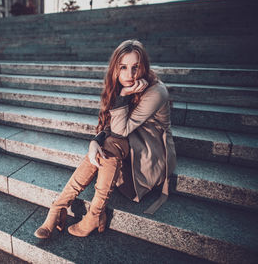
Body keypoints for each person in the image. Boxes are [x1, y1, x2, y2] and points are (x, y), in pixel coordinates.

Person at [34, 39, 176, 239]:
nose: (129, 74)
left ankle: (86, 213)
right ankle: (61, 207)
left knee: (110, 144)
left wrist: (124, 95)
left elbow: (120, 129)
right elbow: (111, 127)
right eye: (123, 67)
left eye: (135, 67)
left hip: (148, 160)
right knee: (104, 147)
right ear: (115, 68)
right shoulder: (120, 85)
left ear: (143, 67)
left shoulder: (156, 92)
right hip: (127, 148)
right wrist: (94, 141)